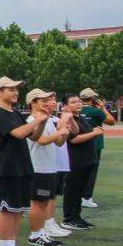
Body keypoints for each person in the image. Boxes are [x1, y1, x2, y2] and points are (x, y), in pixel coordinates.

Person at [0, 77, 46, 246]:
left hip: (21, 166)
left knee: (18, 209)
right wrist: (37, 119)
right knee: (8, 210)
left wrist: (42, 122)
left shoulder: (15, 113)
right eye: (10, 89)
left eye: (16, 89)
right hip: (6, 168)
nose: (15, 92)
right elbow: (19, 133)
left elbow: (34, 136)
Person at [24, 90, 71, 246]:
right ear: (33, 103)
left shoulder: (48, 120)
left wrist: (64, 130)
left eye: (48, 99)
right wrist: (60, 131)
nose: (47, 103)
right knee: (39, 203)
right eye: (42, 100)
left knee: (44, 203)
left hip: (49, 167)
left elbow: (58, 142)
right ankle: (35, 234)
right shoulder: (32, 119)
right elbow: (42, 140)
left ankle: (41, 231)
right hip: (38, 168)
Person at [62, 94, 103, 230]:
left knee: (79, 191)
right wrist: (94, 133)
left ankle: (77, 217)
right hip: (76, 161)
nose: (78, 104)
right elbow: (73, 139)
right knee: (72, 190)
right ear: (65, 106)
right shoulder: (67, 119)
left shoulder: (81, 118)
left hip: (87, 159)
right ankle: (69, 219)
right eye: (73, 102)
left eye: (79, 101)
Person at [79, 88, 116, 207]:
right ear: (93, 98)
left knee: (79, 171)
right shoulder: (95, 111)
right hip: (94, 145)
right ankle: (87, 197)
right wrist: (103, 108)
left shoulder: (77, 110)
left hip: (78, 144)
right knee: (91, 172)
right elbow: (111, 121)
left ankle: (78, 196)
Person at [47, 94, 75, 237]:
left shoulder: (57, 118)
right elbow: (58, 132)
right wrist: (64, 120)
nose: (53, 102)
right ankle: (46, 224)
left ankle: (51, 222)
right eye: (49, 99)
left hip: (61, 162)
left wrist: (69, 117)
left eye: (54, 99)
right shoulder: (44, 120)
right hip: (50, 163)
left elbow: (73, 131)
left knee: (54, 195)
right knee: (47, 197)